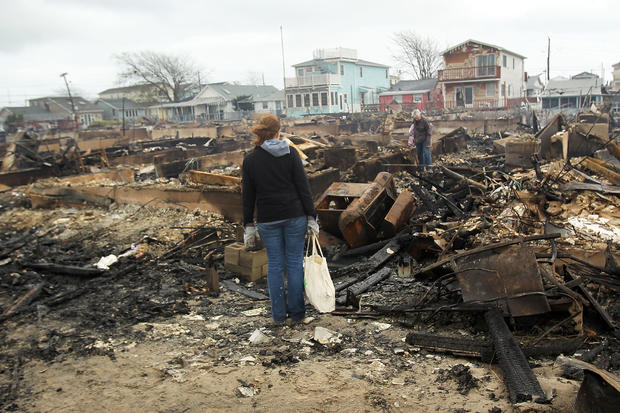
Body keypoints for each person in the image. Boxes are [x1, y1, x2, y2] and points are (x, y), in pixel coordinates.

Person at [242, 114, 319, 325]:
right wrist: (311, 216)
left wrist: (248, 225)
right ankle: (297, 314)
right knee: (294, 264)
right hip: (295, 216)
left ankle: (278, 315)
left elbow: (247, 196)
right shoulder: (291, 154)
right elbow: (304, 188)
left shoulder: (250, 160)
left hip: (268, 219)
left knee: (275, 265)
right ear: (278, 131)